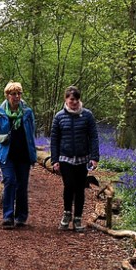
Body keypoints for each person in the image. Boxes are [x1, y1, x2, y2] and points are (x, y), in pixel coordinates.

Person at [50, 86, 100, 232]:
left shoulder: (87, 115)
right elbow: (55, 139)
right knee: (68, 186)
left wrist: (94, 157)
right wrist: (55, 160)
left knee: (79, 188)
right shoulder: (59, 117)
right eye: (71, 99)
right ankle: (67, 214)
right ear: (66, 99)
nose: (74, 102)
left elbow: (94, 137)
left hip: (83, 158)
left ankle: (78, 218)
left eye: (76, 99)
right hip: (65, 158)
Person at [0, 81, 37, 229]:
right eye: (13, 94)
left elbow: (31, 132)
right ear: (7, 95)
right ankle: (8, 217)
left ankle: (21, 217)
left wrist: (33, 153)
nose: (16, 96)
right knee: (10, 181)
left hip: (23, 154)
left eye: (19, 93)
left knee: (22, 186)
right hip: (7, 154)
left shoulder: (28, 112)